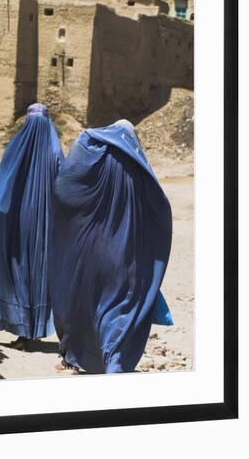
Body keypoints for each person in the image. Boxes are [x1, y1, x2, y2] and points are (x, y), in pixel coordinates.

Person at [50, 119, 173, 374]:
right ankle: (114, 363)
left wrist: (78, 219)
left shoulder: (91, 152)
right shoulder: (138, 166)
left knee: (86, 302)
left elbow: (63, 187)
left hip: (88, 252)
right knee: (119, 310)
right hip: (125, 254)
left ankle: (81, 356)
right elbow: (159, 209)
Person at [0, 103, 64, 349]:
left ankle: (20, 330)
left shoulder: (15, 149)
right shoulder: (55, 153)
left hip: (16, 227)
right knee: (39, 275)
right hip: (45, 228)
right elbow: (68, 189)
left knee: (16, 272)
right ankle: (32, 331)